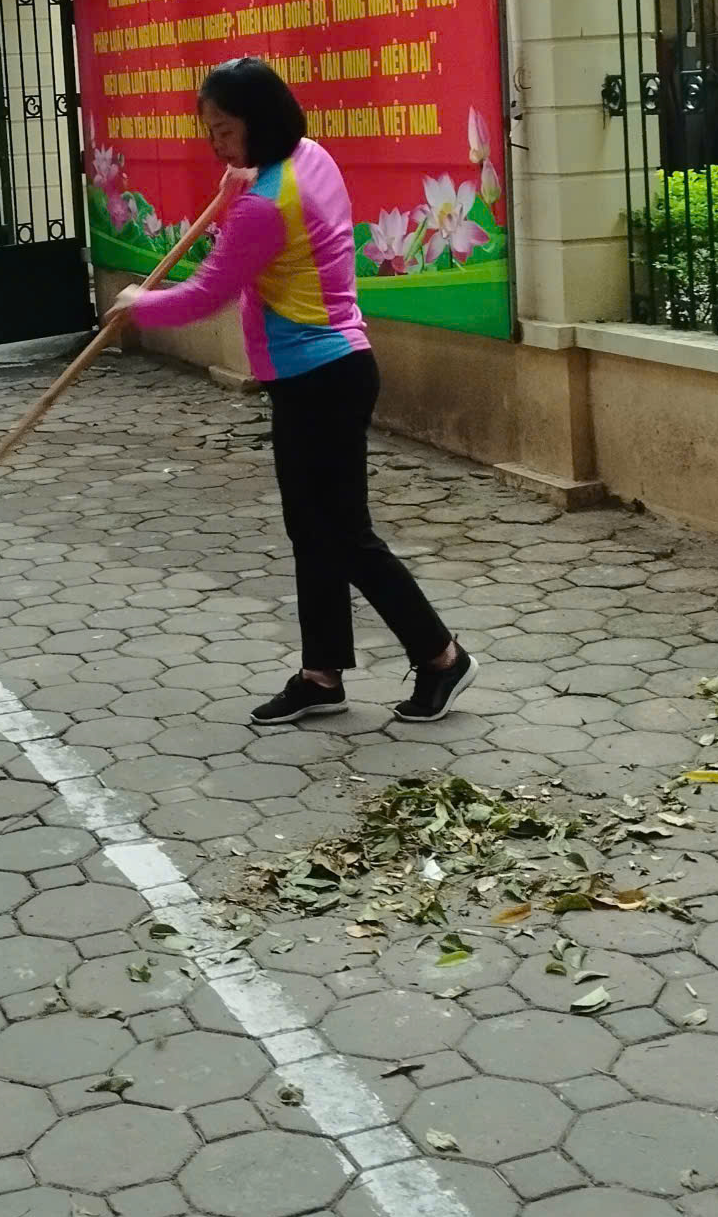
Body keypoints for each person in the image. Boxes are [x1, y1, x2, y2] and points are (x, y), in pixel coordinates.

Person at [107, 57, 476, 729]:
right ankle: (321, 674)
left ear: (260, 122)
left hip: (319, 378)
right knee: (314, 530)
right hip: (327, 371)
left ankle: (441, 656)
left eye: (224, 130)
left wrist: (138, 304)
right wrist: (239, 174)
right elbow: (260, 209)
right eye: (210, 131)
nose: (215, 144)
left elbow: (208, 293)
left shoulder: (266, 204)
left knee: (342, 535)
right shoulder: (310, 158)